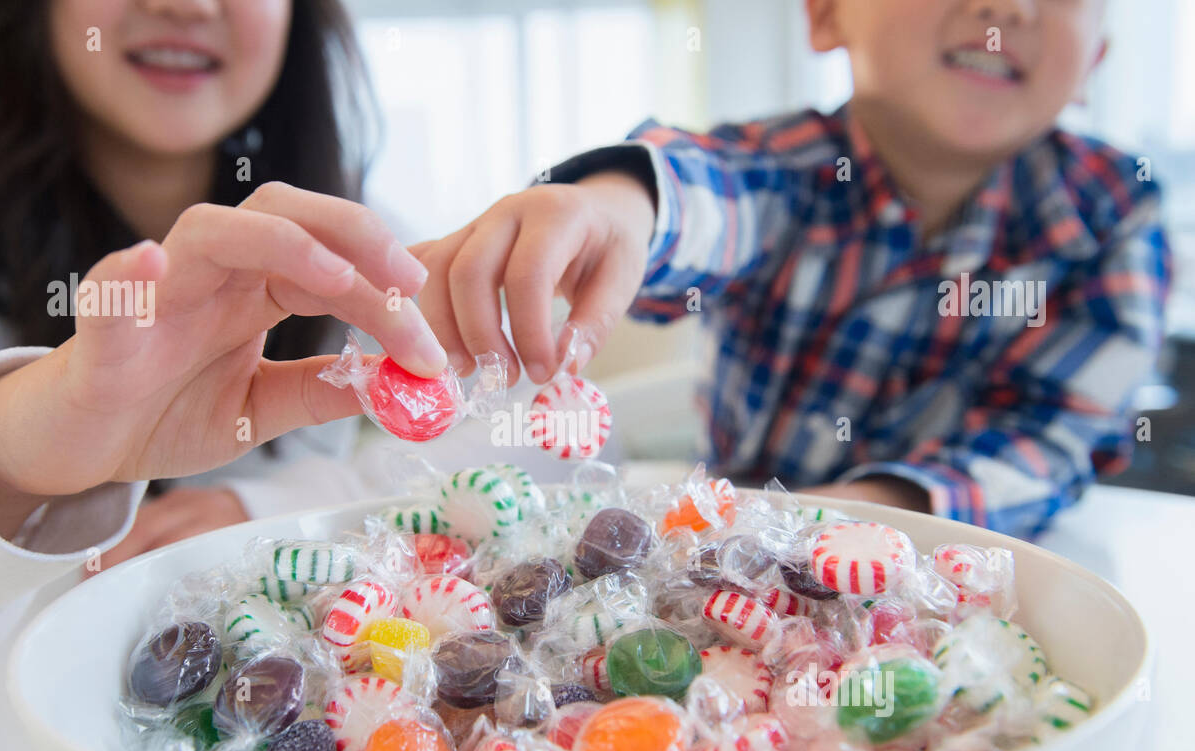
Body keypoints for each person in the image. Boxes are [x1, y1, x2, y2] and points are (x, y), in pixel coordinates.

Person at [411, 0, 1171, 539]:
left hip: (974, 578)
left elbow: (1050, 439)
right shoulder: (796, 167)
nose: (1007, 8)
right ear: (825, 12)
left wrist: (840, 516)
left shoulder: (1114, 211)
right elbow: (718, 187)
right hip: (731, 567)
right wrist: (618, 207)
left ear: (1093, 62)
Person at [0, 0, 446, 658]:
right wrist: (8, 455)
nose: (184, 5)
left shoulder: (344, 235)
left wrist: (275, 505)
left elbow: (518, 436)